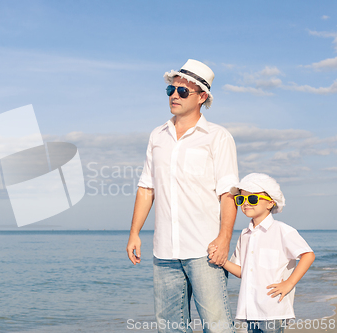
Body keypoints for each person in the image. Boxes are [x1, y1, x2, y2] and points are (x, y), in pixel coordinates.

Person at [126, 59, 239, 333]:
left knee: (218, 327)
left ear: (202, 97)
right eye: (171, 90)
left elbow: (228, 194)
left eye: (183, 91)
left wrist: (224, 240)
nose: (174, 95)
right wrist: (134, 233)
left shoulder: (218, 137)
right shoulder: (157, 136)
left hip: (205, 250)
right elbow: (146, 188)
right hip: (164, 251)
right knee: (170, 329)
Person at [208, 173, 315, 333]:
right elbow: (242, 271)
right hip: (250, 310)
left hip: (273, 309)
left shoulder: (282, 230)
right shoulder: (245, 235)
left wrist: (289, 283)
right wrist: (221, 260)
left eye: (252, 199)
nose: (245, 204)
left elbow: (308, 255)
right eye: (241, 199)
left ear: (270, 203)